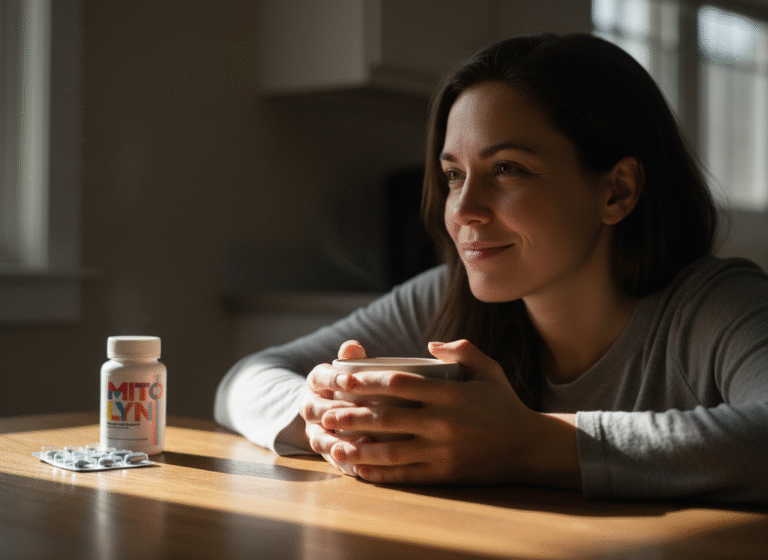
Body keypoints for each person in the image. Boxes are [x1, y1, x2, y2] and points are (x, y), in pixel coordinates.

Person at [214, 33, 768, 504]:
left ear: (617, 191)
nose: (463, 210)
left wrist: (528, 444)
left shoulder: (715, 305)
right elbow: (245, 380)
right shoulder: (445, 298)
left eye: (507, 169)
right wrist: (319, 414)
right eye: (455, 175)